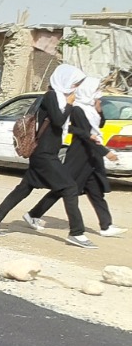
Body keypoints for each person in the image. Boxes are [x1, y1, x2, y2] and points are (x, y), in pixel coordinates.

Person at [0, 64, 94, 248]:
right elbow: (58, 121)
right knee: (70, 187)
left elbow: (64, 122)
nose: (75, 88)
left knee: (24, 188)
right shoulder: (51, 97)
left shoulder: (59, 99)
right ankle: (77, 233)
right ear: (64, 81)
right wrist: (70, 104)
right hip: (44, 154)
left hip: (46, 153)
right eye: (74, 83)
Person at [25, 76, 125, 238]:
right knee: (61, 189)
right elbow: (83, 135)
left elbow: (99, 125)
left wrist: (99, 109)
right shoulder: (77, 109)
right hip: (79, 156)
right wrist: (105, 152)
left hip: (90, 157)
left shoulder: (91, 109)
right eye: (95, 90)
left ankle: (106, 226)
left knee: (96, 191)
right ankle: (34, 214)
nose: (98, 93)